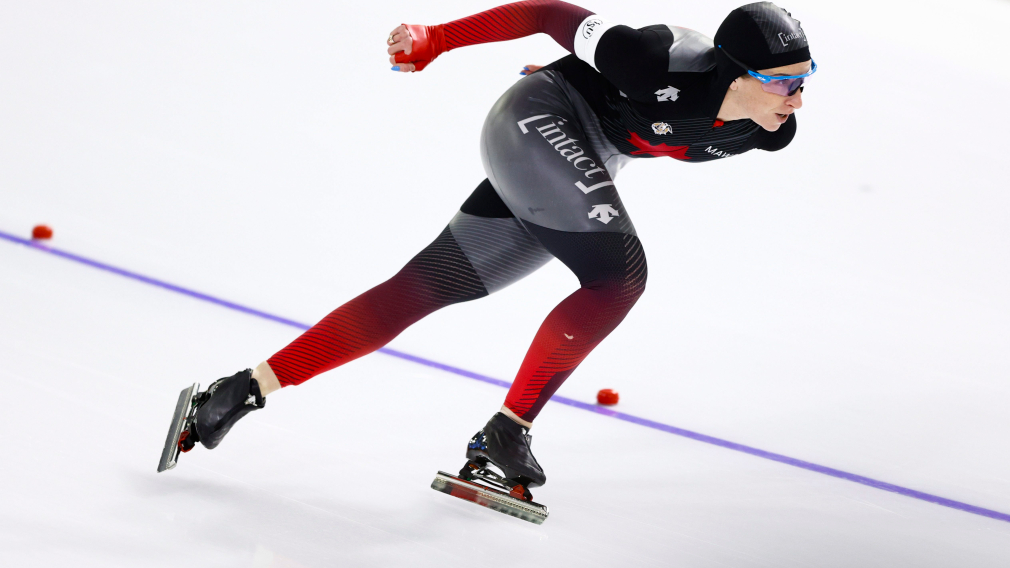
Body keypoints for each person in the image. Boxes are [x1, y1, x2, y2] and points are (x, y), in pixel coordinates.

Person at [168, 1, 814, 497]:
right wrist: (437, 40)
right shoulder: (652, 57)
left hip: (584, 158)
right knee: (620, 276)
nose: (799, 97)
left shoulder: (766, 130)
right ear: (734, 72)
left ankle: (235, 394)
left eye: (806, 78)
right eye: (785, 82)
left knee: (418, 291)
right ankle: (509, 430)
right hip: (541, 119)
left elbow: (652, 131)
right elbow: (545, 12)